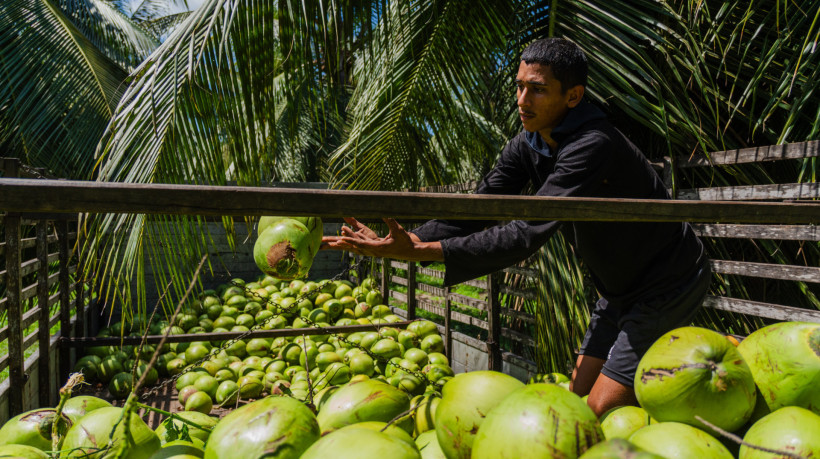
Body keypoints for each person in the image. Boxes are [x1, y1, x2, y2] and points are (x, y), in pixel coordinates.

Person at [321, 37, 710, 417]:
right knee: (576, 396)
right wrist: (410, 238)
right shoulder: (528, 143)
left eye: (537, 90)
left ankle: (707, 368)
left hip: (668, 282)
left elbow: (528, 230)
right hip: (617, 290)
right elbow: (479, 208)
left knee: (601, 407)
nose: (522, 101)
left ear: (573, 97)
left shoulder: (595, 144)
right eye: (520, 87)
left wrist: (422, 253)